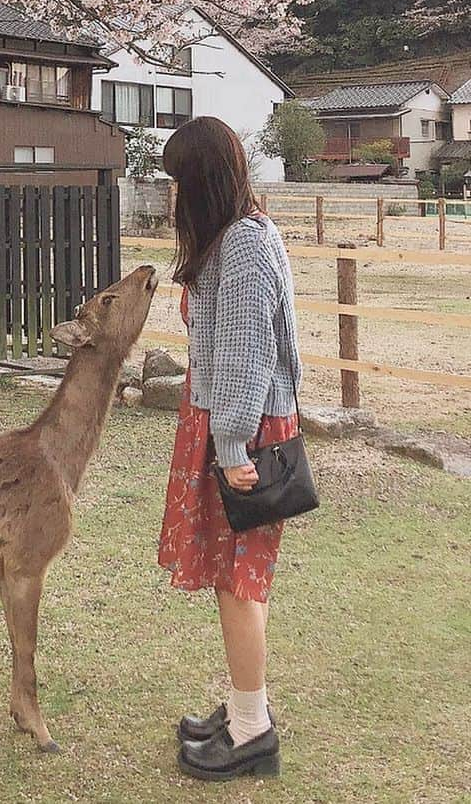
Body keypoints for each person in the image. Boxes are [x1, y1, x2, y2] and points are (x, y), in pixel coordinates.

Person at [156, 116, 302, 782]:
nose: (172, 196)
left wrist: (234, 443)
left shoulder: (242, 243)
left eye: (178, 180)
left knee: (239, 581)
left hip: (240, 429)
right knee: (231, 576)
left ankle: (252, 733)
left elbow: (248, 353)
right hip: (231, 424)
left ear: (200, 181)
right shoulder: (245, 233)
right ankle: (247, 706)